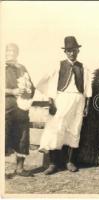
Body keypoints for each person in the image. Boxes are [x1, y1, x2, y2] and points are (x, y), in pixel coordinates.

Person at [36, 36, 93, 174]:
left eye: (74, 50)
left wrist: (86, 106)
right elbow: (48, 83)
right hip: (61, 99)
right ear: (65, 52)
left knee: (75, 130)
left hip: (78, 100)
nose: (72, 53)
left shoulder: (83, 67)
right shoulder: (58, 65)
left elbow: (87, 89)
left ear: (78, 51)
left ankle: (70, 162)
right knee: (56, 129)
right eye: (69, 50)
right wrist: (51, 101)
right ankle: (53, 163)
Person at [5, 43, 35, 177]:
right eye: (9, 51)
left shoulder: (22, 68)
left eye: (14, 51)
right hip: (6, 106)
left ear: (17, 53)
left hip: (22, 107)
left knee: (23, 136)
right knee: (3, 136)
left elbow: (31, 86)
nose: (11, 53)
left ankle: (20, 168)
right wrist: (12, 91)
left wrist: (29, 91)